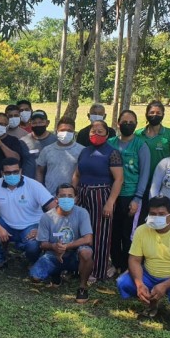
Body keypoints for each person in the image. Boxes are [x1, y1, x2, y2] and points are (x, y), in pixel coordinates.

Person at [116, 196, 170, 327]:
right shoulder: (141, 230)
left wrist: (165, 285)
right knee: (124, 282)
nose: (156, 217)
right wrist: (139, 284)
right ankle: (151, 302)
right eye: (152, 214)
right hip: (150, 274)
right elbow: (134, 259)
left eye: (161, 214)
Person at [0, 158, 56, 271]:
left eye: (15, 172)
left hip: (31, 226)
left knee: (32, 246)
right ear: (2, 173)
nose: (12, 175)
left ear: (21, 171)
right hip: (6, 226)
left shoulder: (33, 185)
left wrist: (42, 229)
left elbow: (54, 208)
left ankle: (31, 260)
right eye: (8, 173)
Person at [73, 120, 124, 282]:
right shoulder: (84, 151)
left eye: (100, 131)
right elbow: (76, 174)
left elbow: (119, 179)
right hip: (82, 193)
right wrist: (73, 193)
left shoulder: (112, 152)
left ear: (107, 134)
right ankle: (79, 267)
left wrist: (110, 202)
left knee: (100, 233)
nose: (96, 134)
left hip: (101, 194)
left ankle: (97, 270)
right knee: (80, 230)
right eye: (92, 131)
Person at [28, 184, 94, 303]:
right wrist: (54, 246)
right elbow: (42, 244)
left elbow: (88, 239)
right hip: (53, 254)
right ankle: (56, 274)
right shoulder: (46, 217)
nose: (66, 199)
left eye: (70, 196)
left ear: (76, 199)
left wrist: (66, 246)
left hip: (75, 255)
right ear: (56, 199)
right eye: (63, 196)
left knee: (87, 252)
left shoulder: (82, 213)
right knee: (35, 277)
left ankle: (83, 287)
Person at [107, 110, 151, 275]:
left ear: (136, 124)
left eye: (131, 122)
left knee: (128, 233)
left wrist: (137, 198)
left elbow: (144, 173)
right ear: (118, 124)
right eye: (124, 122)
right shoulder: (110, 143)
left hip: (131, 195)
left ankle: (127, 266)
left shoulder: (140, 145)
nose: (128, 125)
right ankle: (115, 263)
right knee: (113, 231)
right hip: (112, 195)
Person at [137, 100, 170, 222]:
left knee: (161, 215)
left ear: (163, 115)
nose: (155, 115)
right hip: (142, 181)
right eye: (152, 112)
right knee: (143, 215)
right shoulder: (138, 134)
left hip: (163, 182)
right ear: (146, 114)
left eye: (158, 113)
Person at [36, 117, 85, 195]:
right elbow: (39, 171)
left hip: (71, 197)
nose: (65, 133)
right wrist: (40, 190)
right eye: (62, 130)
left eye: (69, 131)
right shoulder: (47, 150)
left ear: (74, 133)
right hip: (50, 195)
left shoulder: (82, 150)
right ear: (57, 131)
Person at [20, 110, 57, 179]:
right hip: (28, 182)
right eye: (34, 123)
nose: (38, 125)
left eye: (41, 122)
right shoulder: (23, 141)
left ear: (47, 123)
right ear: (30, 124)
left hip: (49, 183)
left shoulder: (55, 140)